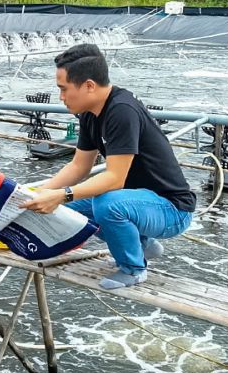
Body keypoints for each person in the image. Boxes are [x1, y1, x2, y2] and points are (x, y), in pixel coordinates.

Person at [20, 43, 195, 289]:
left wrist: (62, 194)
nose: (60, 97)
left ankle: (134, 269)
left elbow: (115, 179)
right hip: (138, 203)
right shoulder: (90, 113)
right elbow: (78, 166)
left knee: (106, 204)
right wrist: (38, 195)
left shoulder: (121, 111)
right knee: (70, 212)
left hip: (171, 209)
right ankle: (143, 244)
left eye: (64, 89)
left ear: (89, 85)